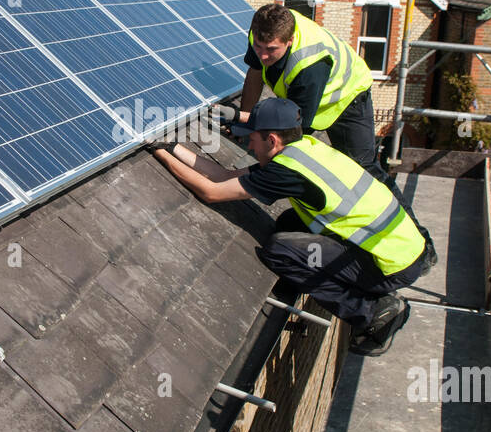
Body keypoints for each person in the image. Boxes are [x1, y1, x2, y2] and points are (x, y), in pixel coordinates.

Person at [149, 98, 436, 354]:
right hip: (401, 246)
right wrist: (171, 147)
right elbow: (225, 174)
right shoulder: (305, 149)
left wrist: (158, 154)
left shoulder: (286, 171)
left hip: (388, 264)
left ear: (272, 140)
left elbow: (211, 192)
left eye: (253, 139)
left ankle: (372, 312)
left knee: (280, 250)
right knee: (287, 222)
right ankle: (368, 292)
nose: (248, 144)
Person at [234, 2, 381, 175]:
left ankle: (397, 203)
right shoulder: (262, 31)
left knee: (361, 168)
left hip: (350, 96)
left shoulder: (309, 66)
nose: (263, 55)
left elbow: (295, 126)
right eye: (258, 47)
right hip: (312, 92)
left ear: (290, 41)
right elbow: (255, 72)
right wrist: (246, 125)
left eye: (271, 49)